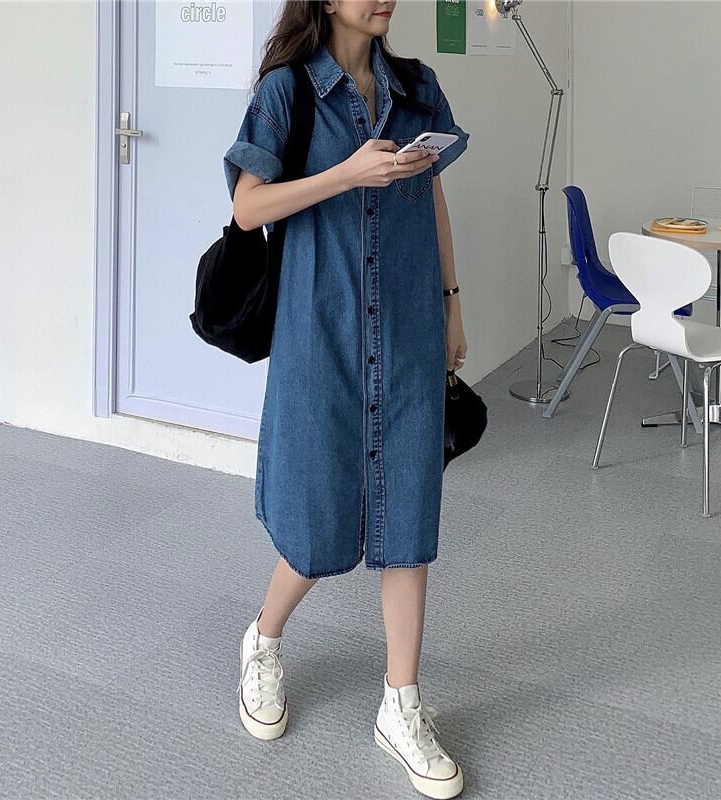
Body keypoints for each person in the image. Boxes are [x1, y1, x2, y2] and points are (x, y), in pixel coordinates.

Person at [225, 2, 470, 797]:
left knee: (408, 518)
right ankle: (264, 638)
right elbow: (248, 206)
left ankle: (401, 702)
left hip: (406, 329)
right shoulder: (289, 91)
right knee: (316, 514)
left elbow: (432, 198)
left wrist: (452, 304)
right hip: (319, 333)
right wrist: (344, 174)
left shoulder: (419, 88)